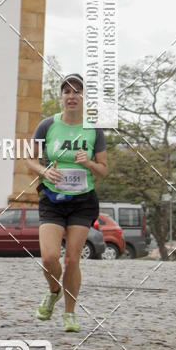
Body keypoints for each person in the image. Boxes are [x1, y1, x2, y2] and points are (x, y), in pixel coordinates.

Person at [26, 74, 107, 332]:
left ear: (84, 97)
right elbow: (30, 160)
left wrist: (89, 163)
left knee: (73, 259)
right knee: (49, 257)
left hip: (83, 201)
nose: (72, 96)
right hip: (52, 197)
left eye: (78, 91)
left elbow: (104, 170)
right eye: (67, 91)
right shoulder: (47, 125)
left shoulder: (94, 129)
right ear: (61, 97)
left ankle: (69, 314)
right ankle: (53, 291)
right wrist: (44, 171)